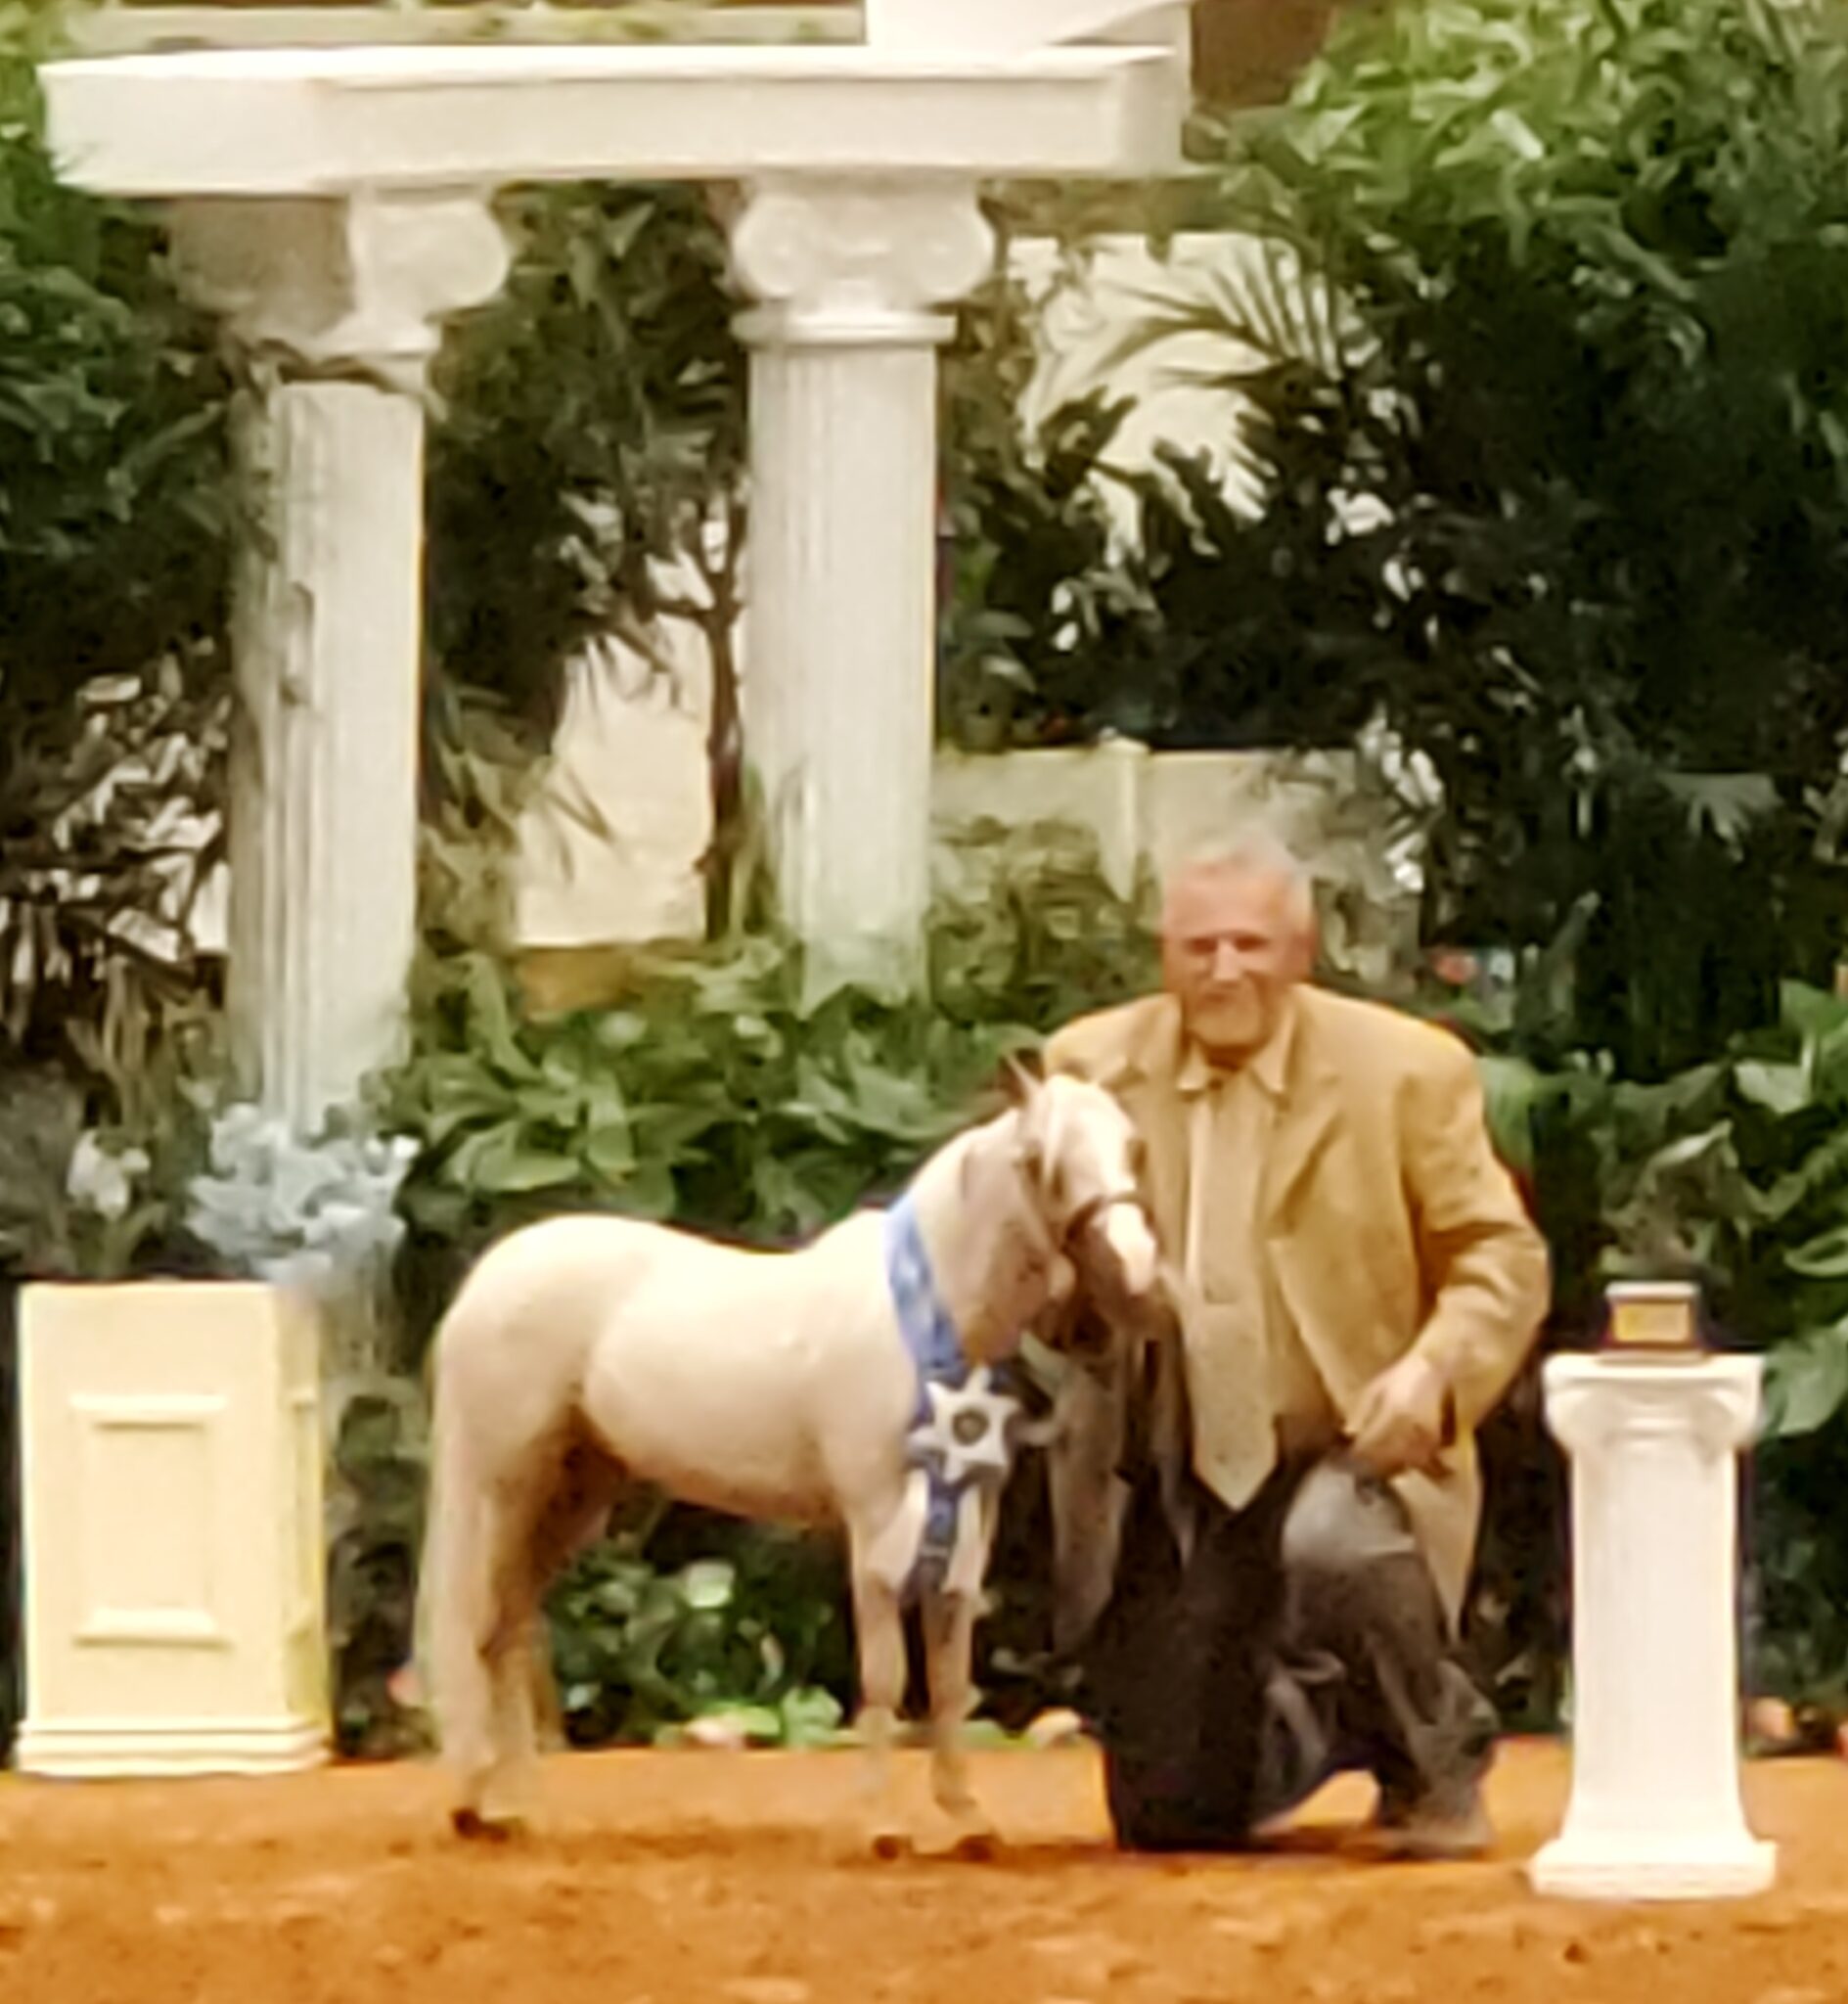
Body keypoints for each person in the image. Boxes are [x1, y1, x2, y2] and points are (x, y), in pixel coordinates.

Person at [1040, 831, 1551, 1858]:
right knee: (1168, 1817)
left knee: (1331, 1540)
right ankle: (1319, 1717)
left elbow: (1500, 1254)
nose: (1223, 969)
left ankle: (1431, 1752)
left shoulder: (1407, 1072)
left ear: (1300, 952)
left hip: (1354, 1449)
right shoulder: (1086, 1070)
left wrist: (1432, 1371)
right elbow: (1040, 1261)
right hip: (1183, 1469)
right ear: (1163, 954)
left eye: (1249, 944)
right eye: (1198, 947)